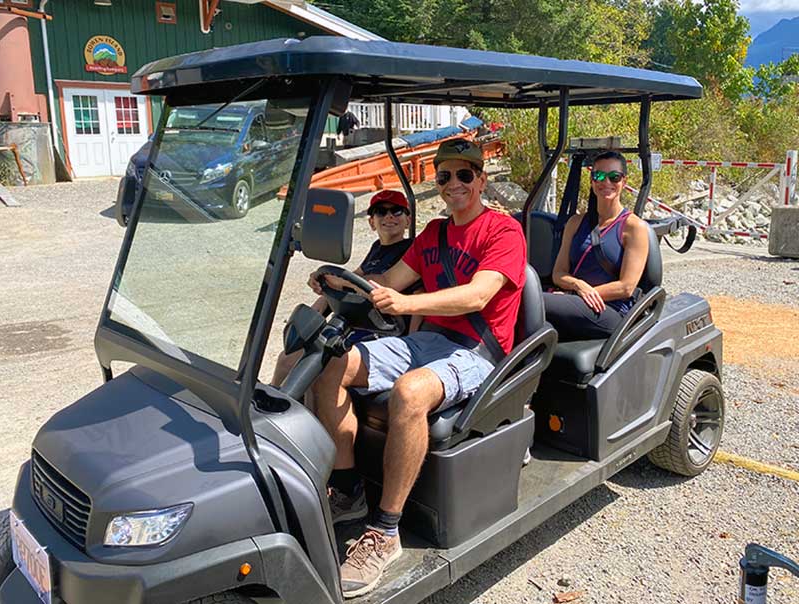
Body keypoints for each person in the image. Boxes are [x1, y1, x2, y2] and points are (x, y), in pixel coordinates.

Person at [309, 139, 527, 598]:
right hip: (428, 341)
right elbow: (387, 282)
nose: (454, 185)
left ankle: (386, 532)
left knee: (410, 392)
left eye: (464, 175)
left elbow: (477, 296)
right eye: (444, 176)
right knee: (330, 365)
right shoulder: (433, 234)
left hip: (477, 350)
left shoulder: (502, 232)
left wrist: (408, 302)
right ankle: (349, 489)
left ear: (481, 180)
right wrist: (336, 284)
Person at [270, 189, 414, 388]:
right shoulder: (377, 248)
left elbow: (382, 283)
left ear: (408, 220)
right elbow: (354, 277)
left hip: (383, 331)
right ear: (372, 223)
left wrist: (342, 281)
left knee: (319, 367)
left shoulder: (411, 250)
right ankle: (269, 406)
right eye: (381, 212)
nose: (389, 216)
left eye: (397, 211)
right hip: (359, 325)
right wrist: (325, 282)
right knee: (288, 357)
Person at [543, 150, 650, 341]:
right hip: (575, 299)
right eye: (599, 176)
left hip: (610, 309)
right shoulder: (575, 223)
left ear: (623, 182)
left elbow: (626, 287)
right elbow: (559, 273)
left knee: (535, 301)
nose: (606, 182)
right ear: (592, 181)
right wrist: (578, 286)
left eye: (614, 177)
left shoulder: (634, 227)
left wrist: (577, 296)